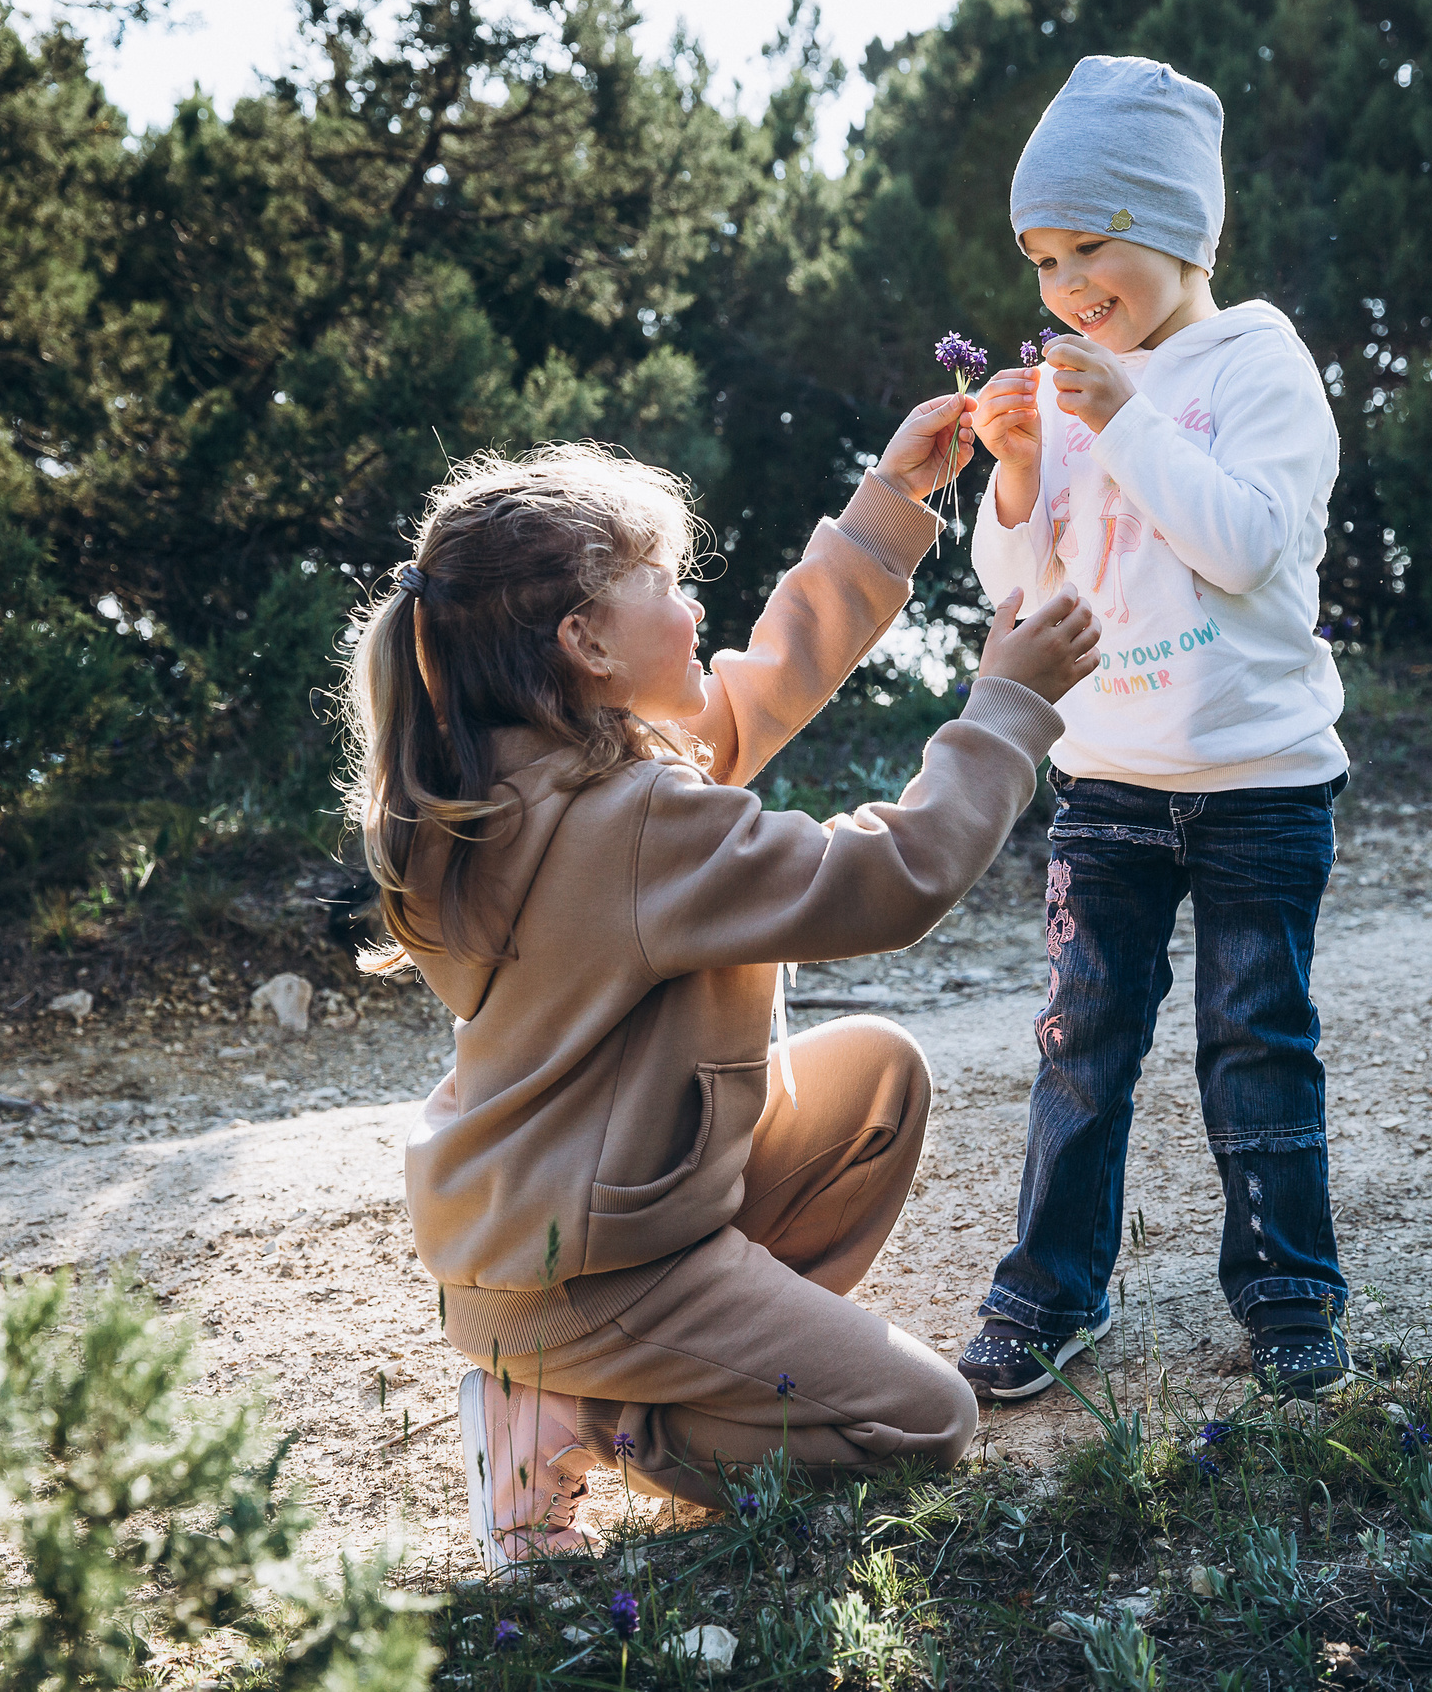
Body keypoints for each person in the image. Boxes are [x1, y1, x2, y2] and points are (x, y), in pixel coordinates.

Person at [340, 409, 1100, 1570]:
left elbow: (751, 696)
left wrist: (888, 511)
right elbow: (892, 879)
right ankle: (594, 1418)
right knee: (924, 1422)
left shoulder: (499, 785)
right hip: (597, 1276)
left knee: (874, 1079)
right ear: (587, 642)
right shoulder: (634, 820)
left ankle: (663, 1364)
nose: (694, 606)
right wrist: (1007, 703)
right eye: (665, 582)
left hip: (553, 1239)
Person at [959, 54, 1352, 1401]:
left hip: (1259, 777)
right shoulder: (1078, 387)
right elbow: (1025, 594)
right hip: (1110, 774)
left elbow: (1243, 544)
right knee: (1081, 1038)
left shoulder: (1255, 359)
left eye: (1091, 247)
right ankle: (1052, 1284)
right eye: (1043, 261)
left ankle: (1292, 1289)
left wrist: (1121, 419)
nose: (1068, 287)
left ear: (1176, 228)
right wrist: (1016, 474)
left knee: (1256, 1039)